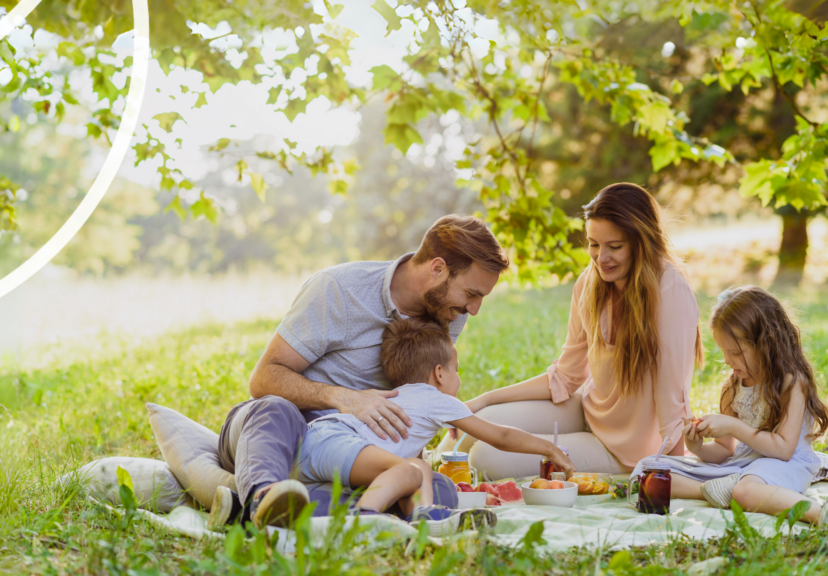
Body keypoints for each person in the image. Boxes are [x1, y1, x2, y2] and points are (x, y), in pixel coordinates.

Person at [207, 215, 511, 529]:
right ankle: (262, 497)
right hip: (280, 436)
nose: (473, 309)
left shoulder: (448, 311)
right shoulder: (339, 289)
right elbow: (263, 380)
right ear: (437, 269)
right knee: (275, 409)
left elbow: (414, 399)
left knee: (437, 490)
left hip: (353, 454)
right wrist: (344, 398)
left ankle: (270, 512)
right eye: (472, 294)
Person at [438, 183, 704, 479]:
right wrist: (485, 399)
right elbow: (566, 376)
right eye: (594, 244)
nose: (601, 258)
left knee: (487, 459)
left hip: (627, 449)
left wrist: (674, 475)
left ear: (641, 242)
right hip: (587, 412)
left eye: (614, 247)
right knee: (476, 422)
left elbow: (672, 396)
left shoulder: (670, 289)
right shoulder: (590, 283)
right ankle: (418, 474)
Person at [293, 318, 575, 534]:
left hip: (319, 444)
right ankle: (364, 521)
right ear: (439, 373)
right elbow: (500, 436)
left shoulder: (407, 397)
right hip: (335, 440)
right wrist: (548, 448)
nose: (458, 377)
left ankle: (425, 518)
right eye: (457, 369)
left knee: (419, 470)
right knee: (408, 470)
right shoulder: (434, 398)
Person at [647, 286, 828, 525]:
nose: (727, 361)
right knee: (649, 471)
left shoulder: (792, 383)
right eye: (724, 351)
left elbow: (783, 450)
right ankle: (714, 489)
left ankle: (819, 514)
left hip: (787, 464)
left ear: (767, 343)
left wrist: (732, 425)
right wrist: (698, 447)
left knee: (745, 491)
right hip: (743, 465)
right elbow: (725, 451)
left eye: (736, 352)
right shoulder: (732, 387)